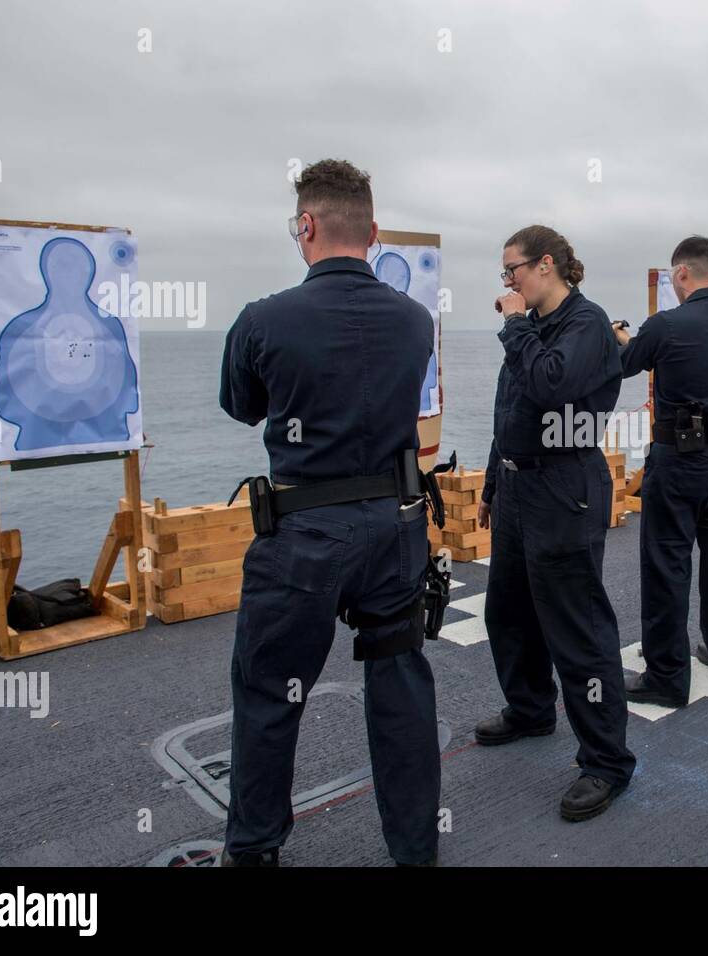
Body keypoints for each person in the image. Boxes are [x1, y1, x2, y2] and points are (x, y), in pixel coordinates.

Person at [219, 159, 440, 866]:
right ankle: (414, 850)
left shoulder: (264, 319)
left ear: (306, 225)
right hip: (395, 531)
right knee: (400, 683)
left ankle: (253, 850)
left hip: (305, 538)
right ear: (372, 232)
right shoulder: (413, 320)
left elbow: (242, 405)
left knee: (269, 695)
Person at [475, 225, 636, 821]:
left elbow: (552, 387)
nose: (508, 283)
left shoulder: (585, 325)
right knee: (508, 609)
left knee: (577, 627)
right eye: (505, 276)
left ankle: (607, 761)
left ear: (546, 265)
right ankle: (531, 708)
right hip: (519, 484)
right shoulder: (535, 330)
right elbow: (509, 412)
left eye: (512, 270)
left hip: (565, 486)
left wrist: (515, 324)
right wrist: (494, 482)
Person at [613, 236, 708, 707]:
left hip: (679, 461)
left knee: (666, 565)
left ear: (681, 274)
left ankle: (667, 678)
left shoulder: (665, 325)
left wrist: (619, 338)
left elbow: (625, 364)